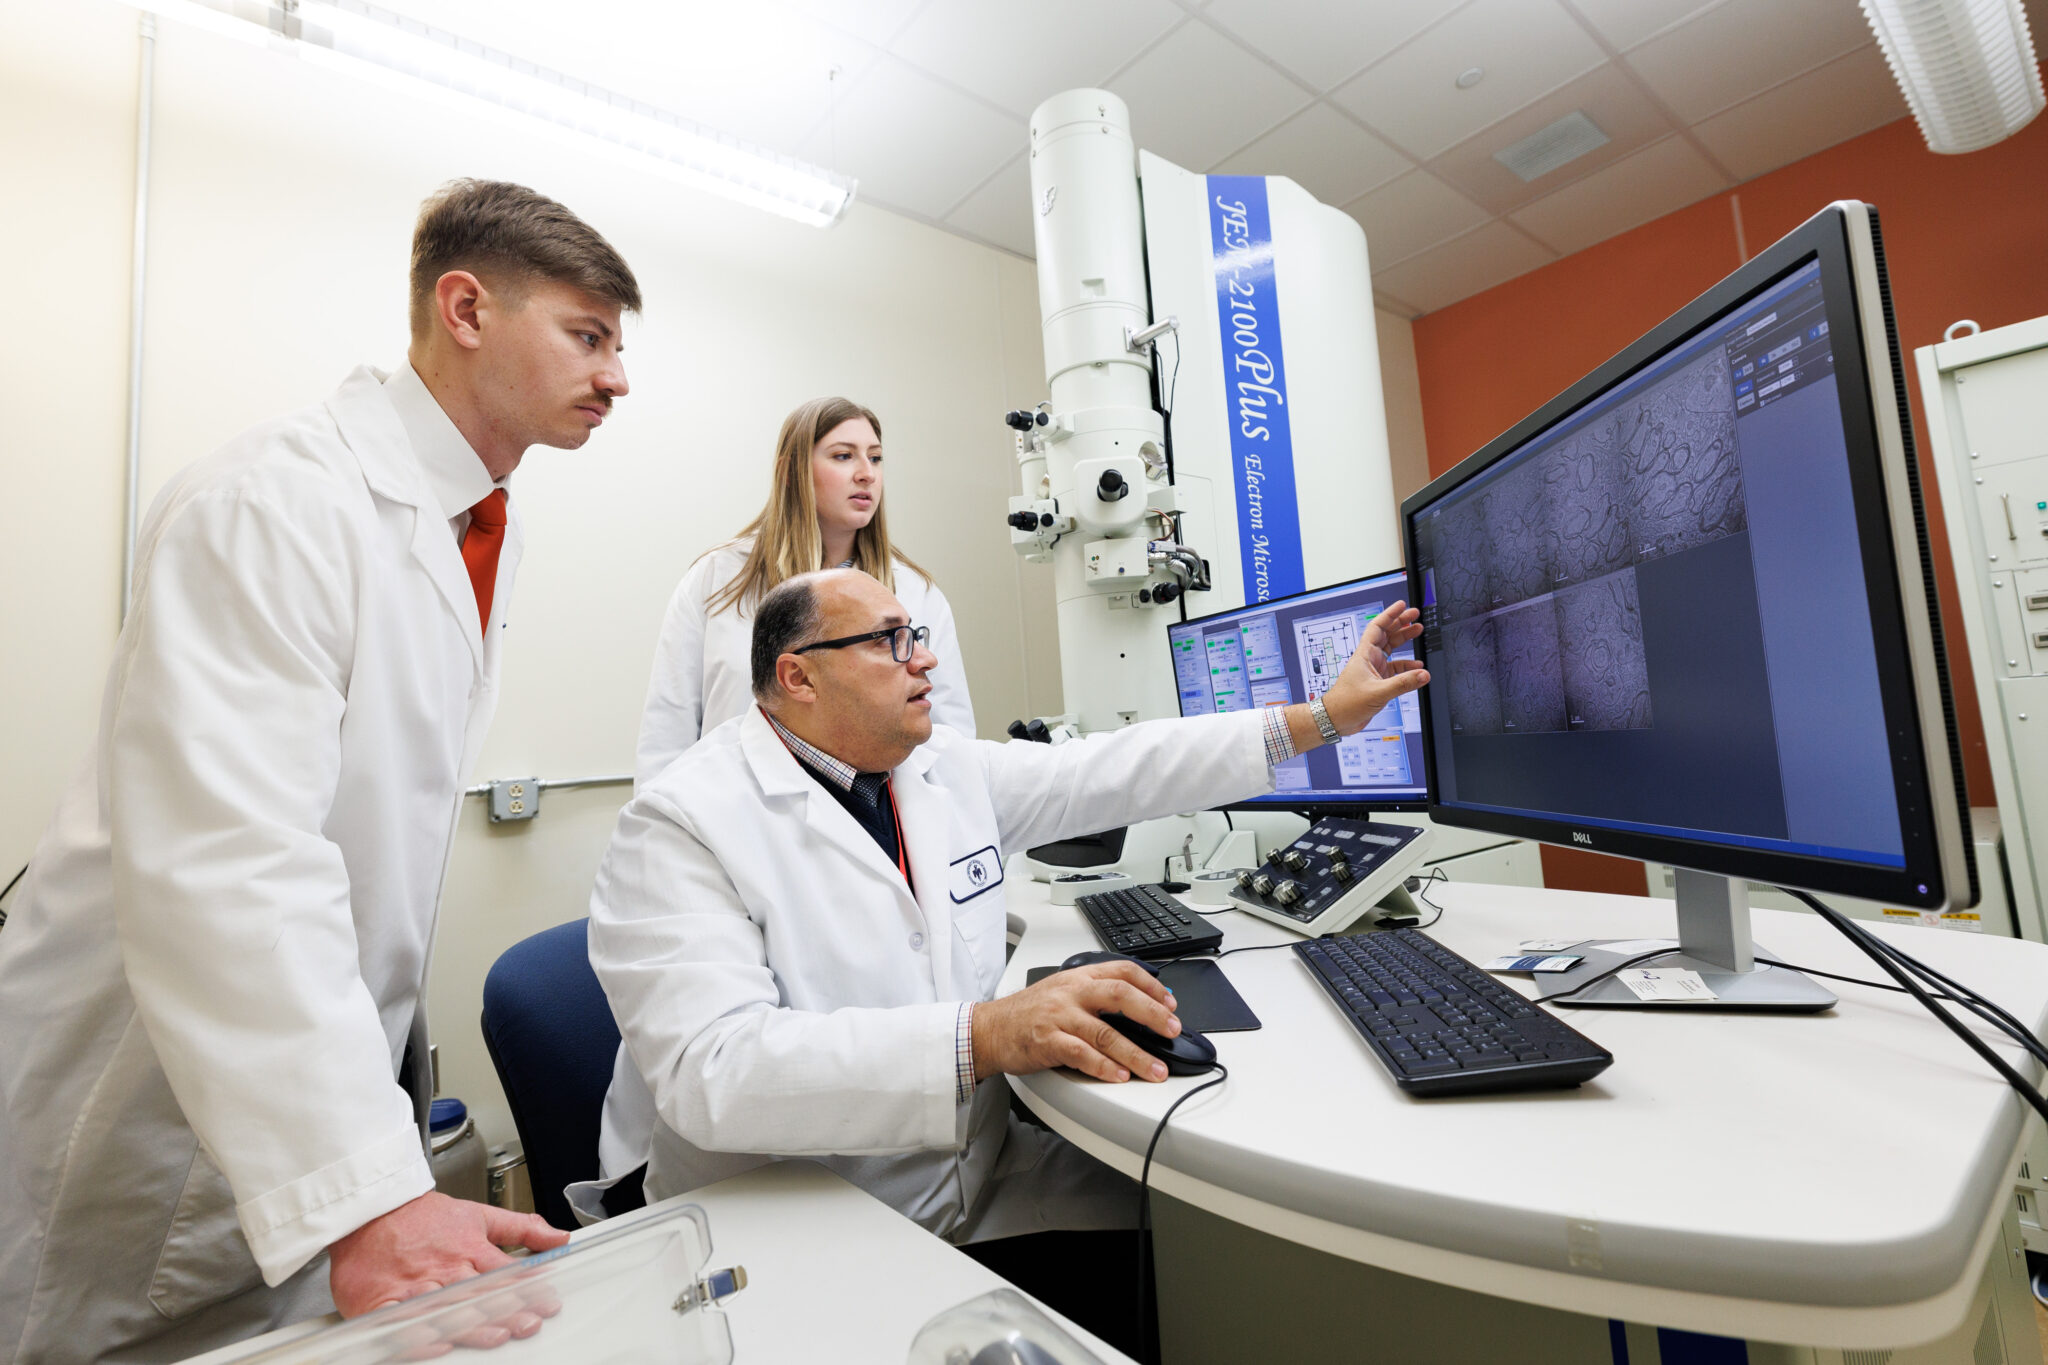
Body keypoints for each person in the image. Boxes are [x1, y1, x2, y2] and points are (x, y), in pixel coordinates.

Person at [0, 179, 638, 1364]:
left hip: (295, 1114)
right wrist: (364, 1196)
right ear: (465, 308)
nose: (616, 377)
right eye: (587, 335)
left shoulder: (456, 522)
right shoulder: (276, 501)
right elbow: (228, 862)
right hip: (146, 1103)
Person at [581, 568, 1427, 1250]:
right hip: (794, 1225)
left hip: (980, 1178)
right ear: (798, 675)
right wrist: (983, 1033)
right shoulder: (682, 822)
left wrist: (1321, 717)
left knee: (1223, 1232)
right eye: (890, 641)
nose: (926, 661)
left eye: (915, 636)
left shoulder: (935, 767)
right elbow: (714, 1074)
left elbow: (1110, 769)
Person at [632, 396, 975, 790]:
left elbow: (950, 738)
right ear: (791, 471)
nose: (867, 474)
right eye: (843, 456)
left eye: (876, 458)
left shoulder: (915, 592)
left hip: (876, 822)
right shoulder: (720, 580)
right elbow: (667, 734)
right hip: (735, 814)